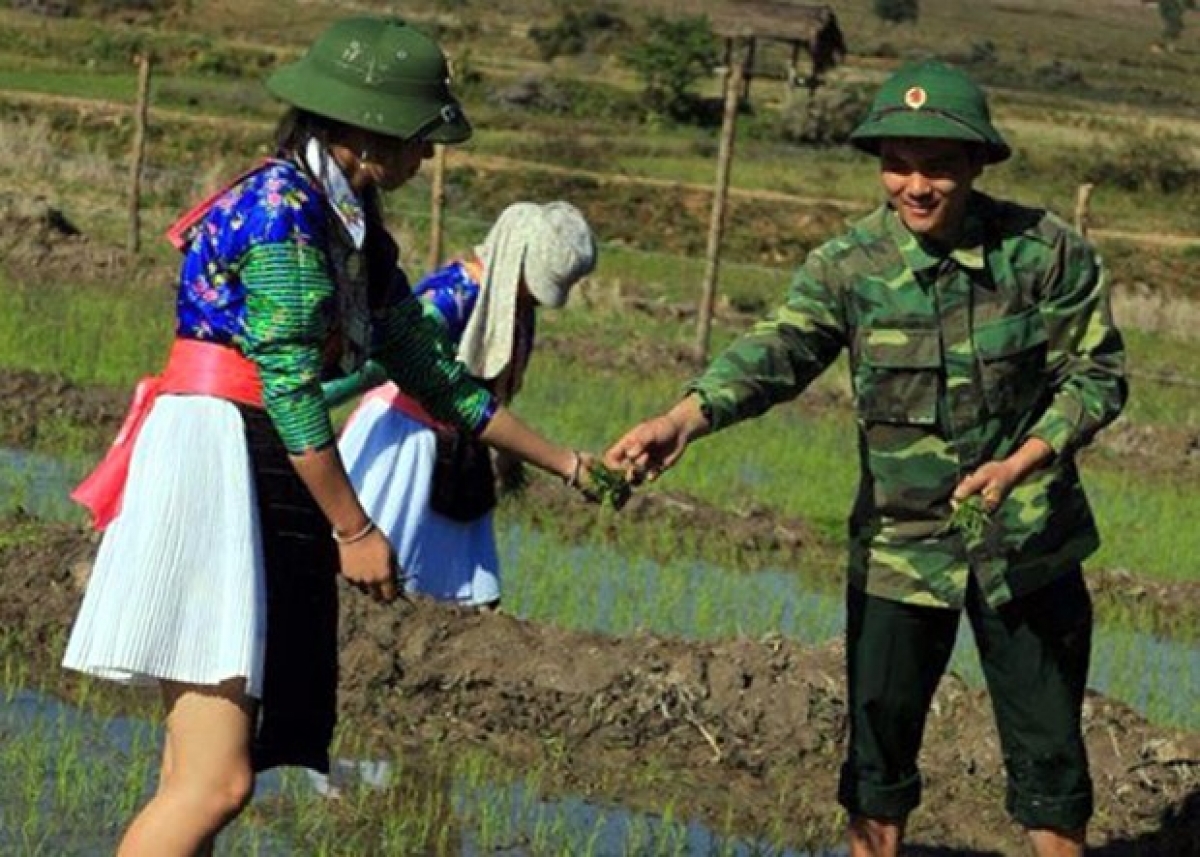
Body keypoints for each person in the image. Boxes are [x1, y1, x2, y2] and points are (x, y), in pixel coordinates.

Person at [61, 17, 598, 856]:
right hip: (218, 446)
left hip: (256, 445)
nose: (428, 157)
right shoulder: (281, 209)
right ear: (364, 129)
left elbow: (435, 374)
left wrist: (569, 464)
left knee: (193, 775)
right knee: (217, 781)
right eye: (422, 137)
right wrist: (354, 527)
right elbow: (288, 385)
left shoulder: (350, 226)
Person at [604, 60, 1126, 857]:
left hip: (1029, 547)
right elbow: (777, 349)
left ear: (979, 164)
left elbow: (1098, 375)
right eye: (898, 163)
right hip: (898, 551)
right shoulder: (849, 268)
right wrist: (685, 417)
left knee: (1052, 769)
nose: (916, 185)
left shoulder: (1045, 254)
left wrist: (1022, 461)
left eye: (939, 166)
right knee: (877, 770)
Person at [324, 200, 597, 609]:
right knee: (376, 588)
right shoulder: (453, 297)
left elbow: (493, 392)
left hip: (461, 451)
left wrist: (506, 454)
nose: (539, 298)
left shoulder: (518, 308)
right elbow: (381, 362)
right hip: (406, 445)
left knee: (460, 604)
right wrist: (314, 398)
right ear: (514, 257)